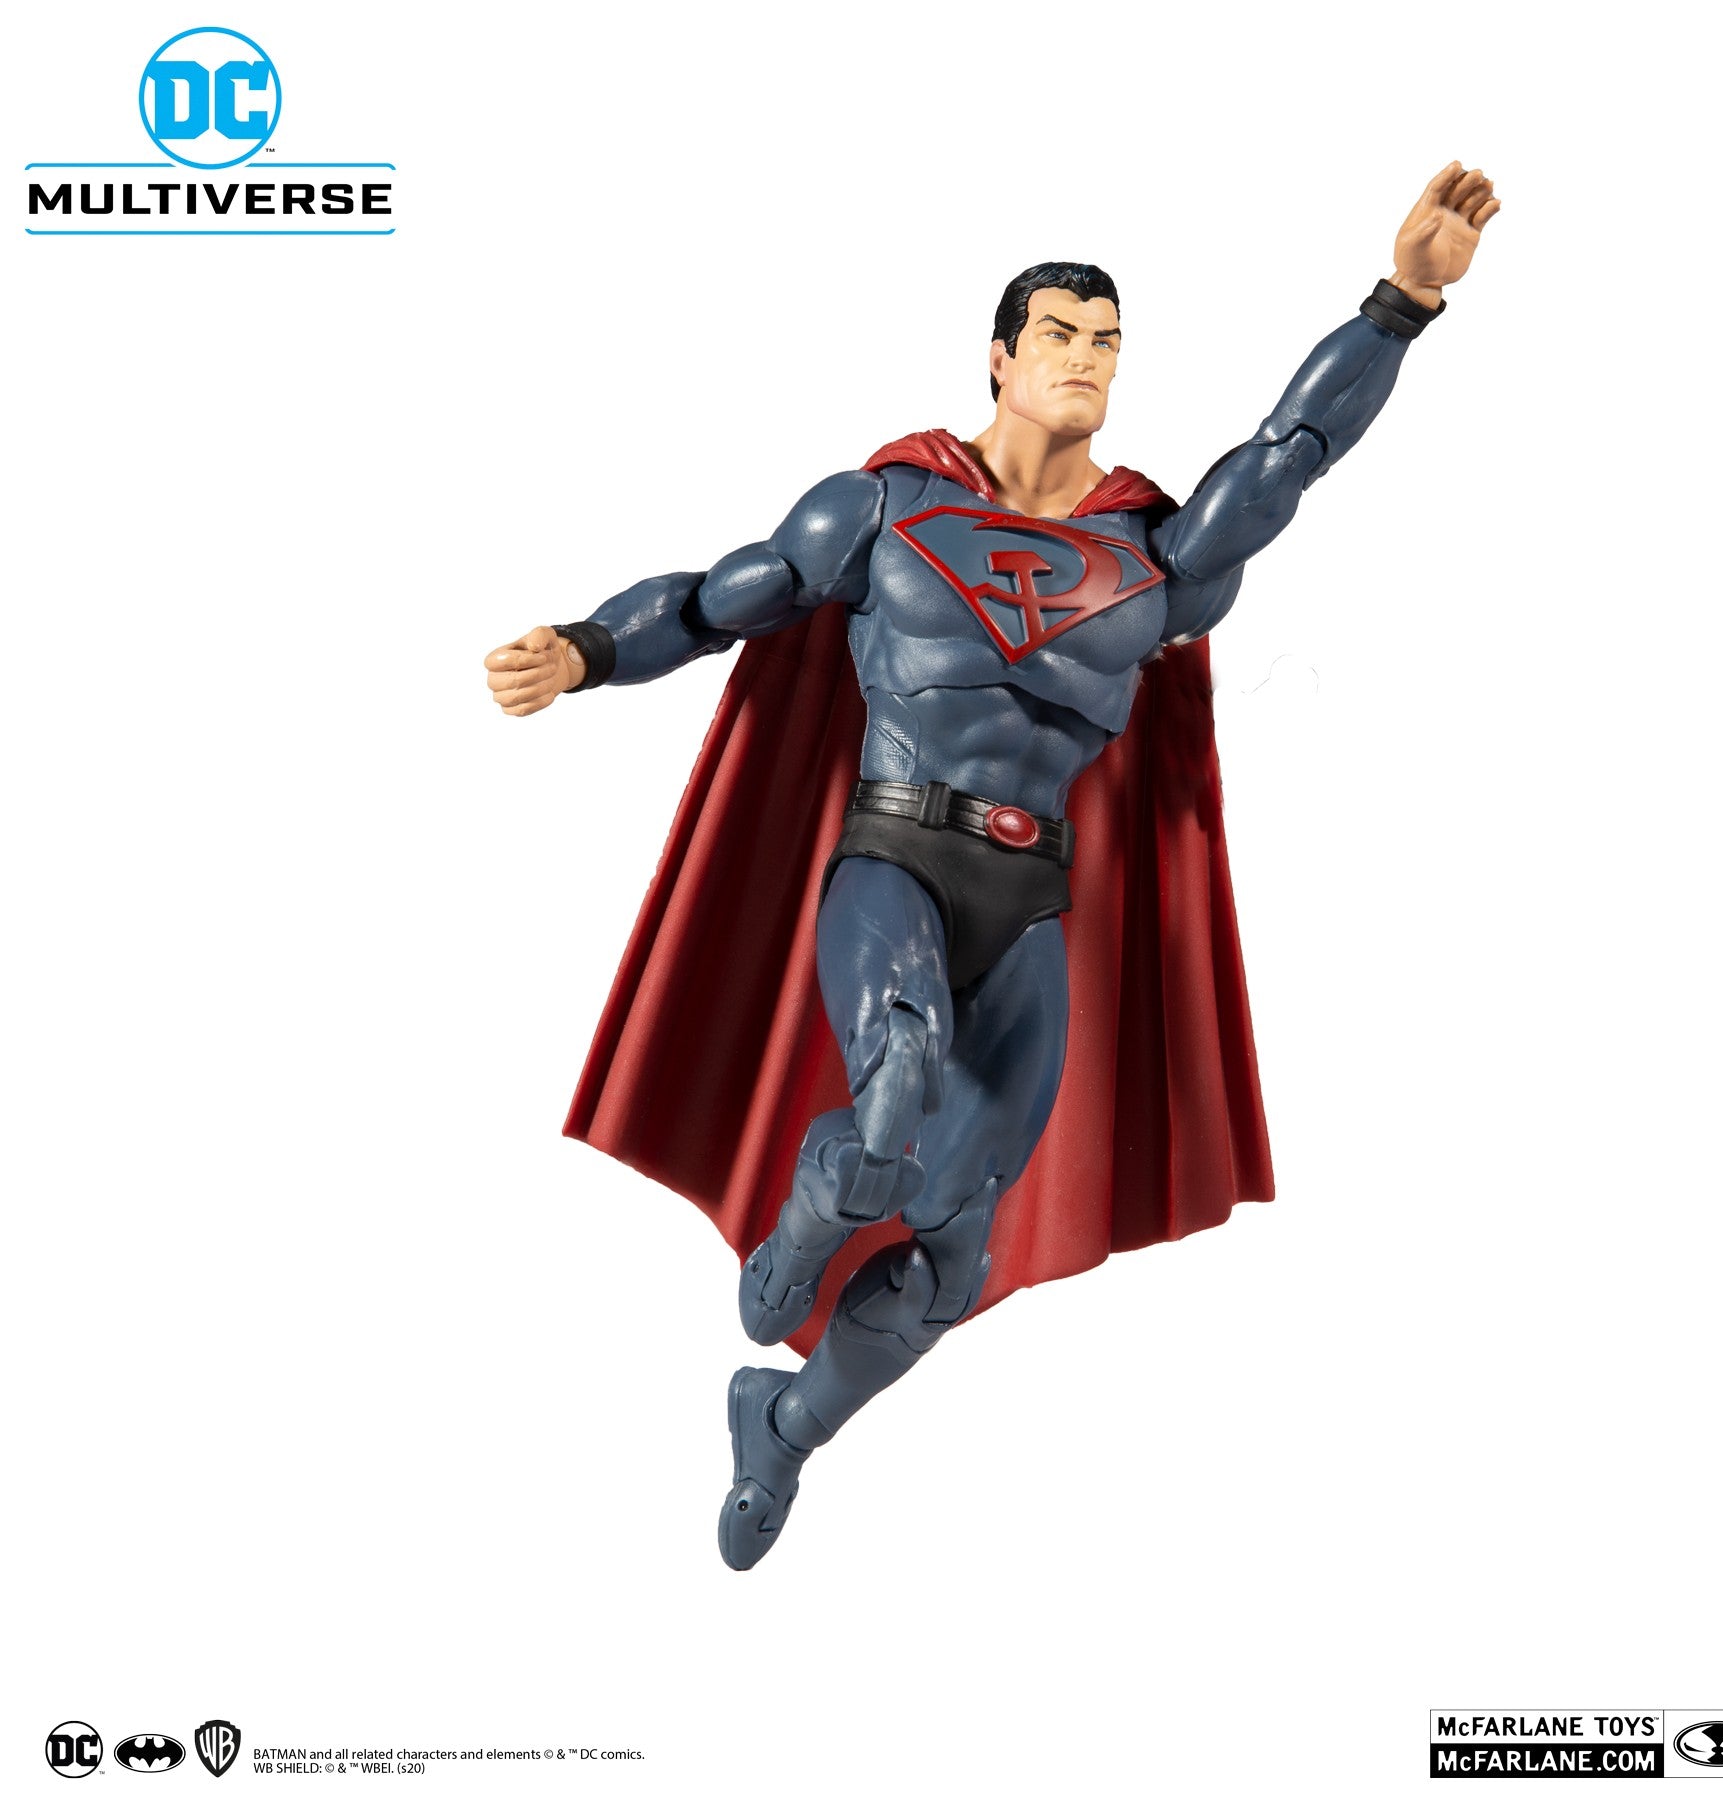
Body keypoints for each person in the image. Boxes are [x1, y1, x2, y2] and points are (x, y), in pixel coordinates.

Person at [486, 162, 1500, 1569]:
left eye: (1109, 342)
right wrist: (590, 650)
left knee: (952, 1250)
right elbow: (724, 600)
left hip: (1031, 903)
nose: (1087, 360)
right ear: (1001, 358)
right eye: (1061, 336)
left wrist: (1402, 302)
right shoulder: (888, 509)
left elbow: (1289, 454)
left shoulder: (1156, 556)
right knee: (891, 1088)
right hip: (895, 856)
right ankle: (800, 1230)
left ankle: (782, 1428)